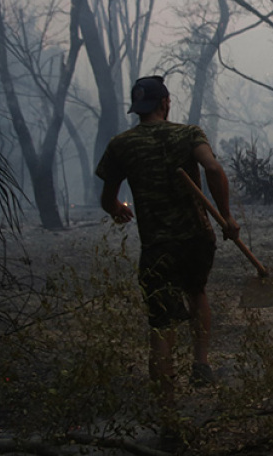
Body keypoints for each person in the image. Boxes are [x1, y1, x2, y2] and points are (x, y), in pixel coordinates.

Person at [96, 75, 240, 435]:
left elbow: (107, 197)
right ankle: (201, 361)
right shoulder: (188, 134)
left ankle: (168, 415)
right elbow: (213, 169)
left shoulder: (121, 145)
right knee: (197, 292)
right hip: (197, 237)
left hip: (157, 246)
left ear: (139, 108)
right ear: (166, 103)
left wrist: (117, 208)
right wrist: (227, 217)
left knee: (160, 325)